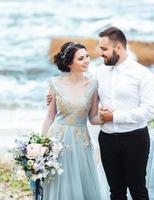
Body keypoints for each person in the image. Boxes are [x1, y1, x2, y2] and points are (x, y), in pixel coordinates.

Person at [47, 27, 154, 200]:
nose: (99, 53)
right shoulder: (99, 73)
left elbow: (150, 110)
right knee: (115, 191)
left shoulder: (142, 74)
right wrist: (53, 98)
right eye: (99, 48)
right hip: (107, 139)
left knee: (138, 191)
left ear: (118, 48)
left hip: (135, 138)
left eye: (104, 49)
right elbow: (76, 89)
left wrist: (115, 117)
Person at [42, 42, 104, 200]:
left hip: (80, 142)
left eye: (87, 56)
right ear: (69, 63)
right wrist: (42, 145)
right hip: (57, 139)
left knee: (80, 184)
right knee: (59, 184)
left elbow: (93, 118)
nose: (86, 61)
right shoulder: (55, 84)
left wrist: (110, 116)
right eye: (81, 58)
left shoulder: (93, 85)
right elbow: (50, 116)